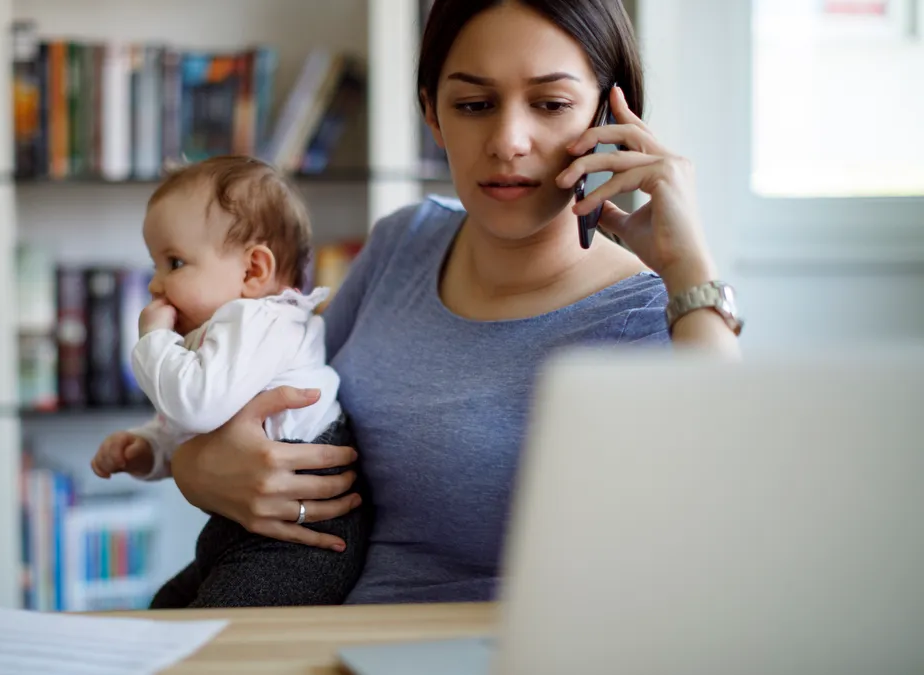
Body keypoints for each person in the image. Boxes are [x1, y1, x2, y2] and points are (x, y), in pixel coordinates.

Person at [97, 0, 743, 605]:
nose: (509, 139)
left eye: (549, 103)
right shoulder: (402, 242)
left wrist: (690, 269)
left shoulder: (660, 314)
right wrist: (191, 467)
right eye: (473, 104)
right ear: (432, 113)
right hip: (330, 640)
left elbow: (725, 527)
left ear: (608, 118)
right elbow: (269, 391)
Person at [89, 155, 371, 608]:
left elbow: (196, 405)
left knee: (218, 639)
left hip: (298, 542)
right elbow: (194, 426)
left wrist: (153, 338)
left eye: (174, 262)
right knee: (165, 608)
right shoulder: (223, 331)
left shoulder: (261, 319)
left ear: (253, 271)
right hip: (243, 526)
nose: (155, 285)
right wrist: (148, 448)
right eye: (156, 265)